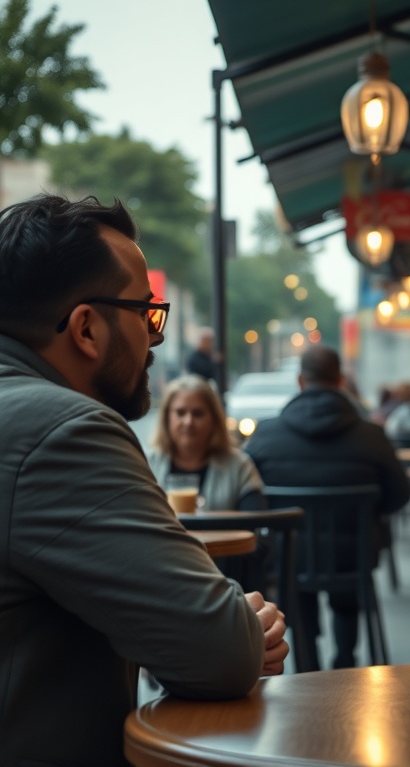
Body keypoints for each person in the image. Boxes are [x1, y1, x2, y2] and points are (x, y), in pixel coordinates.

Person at [0, 194, 287, 767]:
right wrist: (237, 628)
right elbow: (219, 651)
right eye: (144, 313)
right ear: (86, 329)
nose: (155, 339)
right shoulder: (62, 432)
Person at [245, 345, 410, 669]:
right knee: (345, 574)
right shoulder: (372, 436)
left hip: (291, 560)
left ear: (300, 381)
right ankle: (345, 659)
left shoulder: (266, 435)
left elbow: (253, 499)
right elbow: (400, 496)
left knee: (296, 571)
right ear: (340, 381)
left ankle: (307, 663)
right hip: (354, 560)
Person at [147, 374, 266, 511]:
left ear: (214, 419)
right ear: (166, 418)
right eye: (180, 413)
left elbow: (255, 519)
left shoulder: (240, 466)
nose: (188, 422)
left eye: (198, 413)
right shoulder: (146, 464)